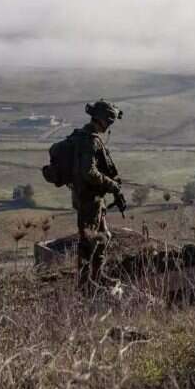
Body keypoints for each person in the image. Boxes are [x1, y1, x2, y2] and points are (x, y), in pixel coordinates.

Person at [70, 100, 126, 293]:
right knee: (89, 242)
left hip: (91, 198)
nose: (109, 126)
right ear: (102, 120)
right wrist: (112, 185)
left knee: (103, 236)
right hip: (88, 200)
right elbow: (89, 172)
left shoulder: (84, 137)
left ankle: (97, 275)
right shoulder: (89, 141)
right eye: (109, 122)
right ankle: (85, 283)